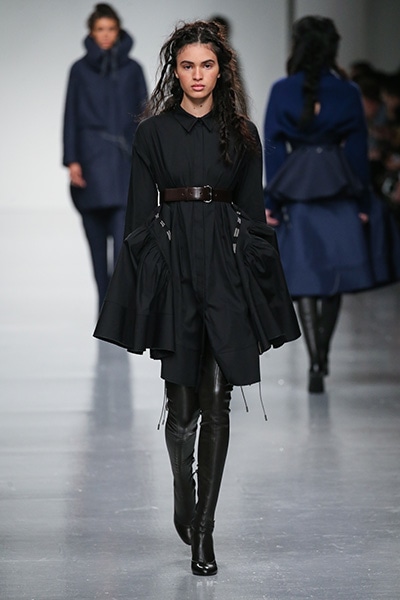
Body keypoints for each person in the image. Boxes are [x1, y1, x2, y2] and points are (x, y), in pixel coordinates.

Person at [94, 20, 300, 575]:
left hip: (226, 270)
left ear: (221, 70)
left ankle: (204, 530)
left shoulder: (243, 134)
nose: (198, 75)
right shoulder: (152, 134)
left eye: (207, 65)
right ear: (175, 71)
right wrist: (151, 279)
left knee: (217, 399)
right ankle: (182, 492)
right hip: (176, 269)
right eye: (187, 66)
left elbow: (253, 216)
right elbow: (139, 219)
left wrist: (256, 281)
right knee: (182, 407)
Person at [263, 16, 378, 394]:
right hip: (337, 186)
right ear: (333, 48)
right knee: (333, 277)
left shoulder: (282, 90)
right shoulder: (347, 91)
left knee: (305, 277)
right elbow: (357, 149)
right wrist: (362, 198)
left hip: (297, 188)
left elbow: (273, 148)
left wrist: (272, 198)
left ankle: (314, 357)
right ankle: (321, 356)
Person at [63, 3, 148, 309]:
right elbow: (70, 115)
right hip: (90, 163)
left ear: (119, 31)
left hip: (124, 165)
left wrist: (147, 161)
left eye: (111, 29)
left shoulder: (133, 69)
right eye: (100, 29)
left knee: (124, 247)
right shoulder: (79, 70)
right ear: (91, 32)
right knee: (97, 251)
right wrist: (72, 160)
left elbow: (145, 116)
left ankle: (117, 310)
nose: (106, 35)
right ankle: (104, 309)